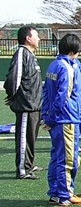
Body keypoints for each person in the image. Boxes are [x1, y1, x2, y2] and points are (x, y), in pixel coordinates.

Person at [41, 34, 81, 206]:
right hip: (66, 119)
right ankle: (65, 194)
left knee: (56, 156)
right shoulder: (67, 68)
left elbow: (45, 92)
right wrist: (52, 118)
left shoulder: (52, 65)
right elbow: (63, 96)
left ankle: (54, 192)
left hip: (57, 119)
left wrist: (45, 116)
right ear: (72, 51)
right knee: (68, 158)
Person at [4, 26, 43, 180]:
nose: (39, 38)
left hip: (35, 105)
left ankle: (29, 164)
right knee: (24, 138)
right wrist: (13, 96)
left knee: (31, 138)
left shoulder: (31, 55)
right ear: (28, 38)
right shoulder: (21, 53)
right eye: (36, 36)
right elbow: (14, 78)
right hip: (26, 105)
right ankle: (22, 170)